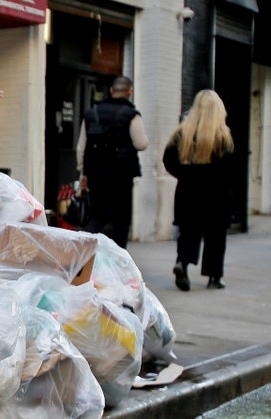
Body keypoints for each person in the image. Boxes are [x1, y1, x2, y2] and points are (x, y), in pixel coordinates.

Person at [163, 90, 236, 291]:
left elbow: (168, 160)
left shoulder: (182, 132)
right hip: (217, 194)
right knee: (216, 236)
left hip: (189, 191)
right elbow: (230, 169)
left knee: (189, 231)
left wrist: (185, 174)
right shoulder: (223, 136)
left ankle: (182, 263)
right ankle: (214, 276)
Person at [76, 76, 149, 249]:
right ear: (129, 92)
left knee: (97, 217)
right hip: (121, 175)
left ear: (111, 91)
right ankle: (119, 260)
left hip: (96, 174)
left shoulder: (91, 113)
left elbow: (81, 146)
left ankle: (80, 250)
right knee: (121, 220)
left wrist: (82, 172)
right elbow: (141, 143)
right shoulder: (132, 115)